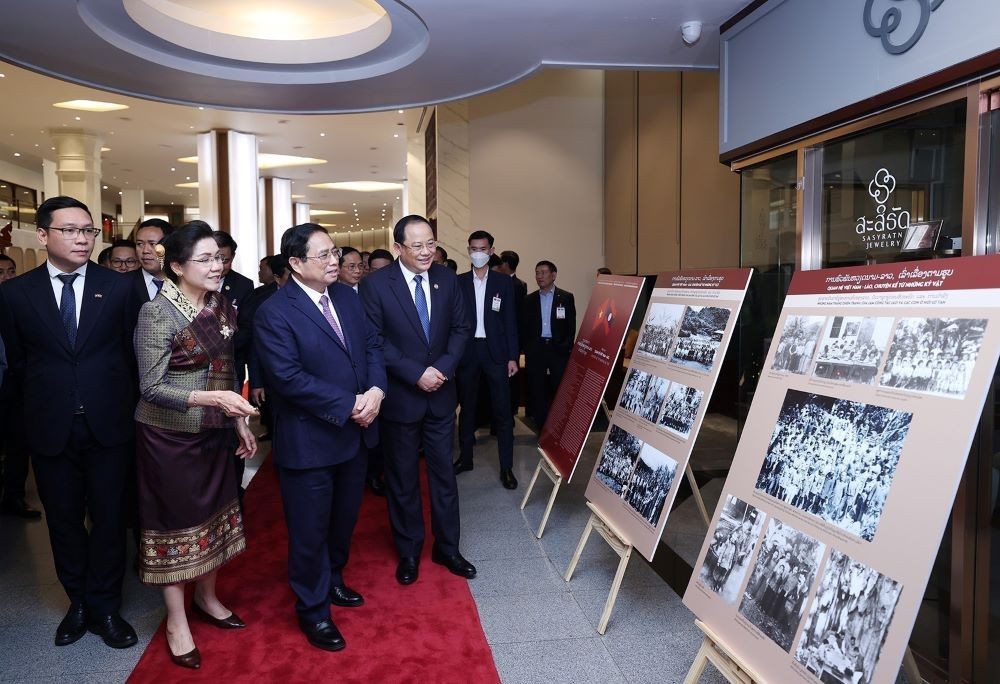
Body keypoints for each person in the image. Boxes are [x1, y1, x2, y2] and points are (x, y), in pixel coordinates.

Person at [0, 196, 139, 649]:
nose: (82, 238)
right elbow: (19, 365)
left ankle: (105, 605)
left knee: (109, 517)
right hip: (49, 424)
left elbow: (131, 357)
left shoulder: (119, 288)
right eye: (71, 230)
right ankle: (76, 602)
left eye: (88, 231)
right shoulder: (15, 293)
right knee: (61, 521)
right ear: (43, 235)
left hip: (109, 424)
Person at [255, 223, 386, 652]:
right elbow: (288, 378)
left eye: (335, 253)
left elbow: (372, 348)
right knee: (309, 530)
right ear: (295, 263)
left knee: (343, 519)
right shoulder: (275, 312)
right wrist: (351, 403)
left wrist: (376, 392)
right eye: (324, 256)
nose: (335, 262)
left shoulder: (348, 297)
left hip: (355, 433)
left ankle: (334, 579)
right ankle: (313, 610)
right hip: (310, 440)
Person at [133, 221, 257, 668]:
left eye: (218, 258)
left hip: (216, 431)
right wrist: (212, 399)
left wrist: (237, 419)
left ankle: (208, 597)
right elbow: (150, 387)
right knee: (175, 524)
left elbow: (226, 367)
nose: (216, 266)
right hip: (169, 437)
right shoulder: (157, 313)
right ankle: (175, 619)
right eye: (204, 260)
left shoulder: (223, 304)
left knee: (215, 516)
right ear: (177, 265)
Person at [360, 215, 476, 586]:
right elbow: (375, 341)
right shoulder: (376, 285)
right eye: (417, 246)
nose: (427, 252)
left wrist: (440, 368)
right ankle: (409, 549)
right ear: (398, 248)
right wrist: (415, 373)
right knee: (403, 477)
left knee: (444, 474)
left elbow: (461, 328)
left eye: (431, 243)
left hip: (441, 395)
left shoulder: (446, 279)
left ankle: (448, 547)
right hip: (401, 398)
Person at [454, 230, 519, 489]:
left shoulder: (504, 283)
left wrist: (513, 357)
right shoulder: (458, 282)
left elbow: (511, 323)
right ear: (468, 250)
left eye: (482, 249)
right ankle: (465, 458)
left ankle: (506, 467)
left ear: (491, 251)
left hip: (496, 355)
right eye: (473, 248)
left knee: (502, 413)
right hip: (468, 354)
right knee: (466, 409)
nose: (477, 253)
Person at [0, 253, 40, 519]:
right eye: (1, 271)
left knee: (17, 444)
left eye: (11, 271)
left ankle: (14, 497)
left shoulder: (19, 302)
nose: (6, 276)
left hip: (14, 386)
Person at [238, 255, 290, 441]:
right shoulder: (261, 300)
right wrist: (256, 382)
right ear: (278, 277)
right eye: (289, 277)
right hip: (271, 378)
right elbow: (255, 345)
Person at [522, 260, 576, 430]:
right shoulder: (529, 300)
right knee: (537, 390)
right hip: (537, 350)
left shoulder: (566, 297)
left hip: (557, 349)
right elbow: (525, 327)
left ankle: (560, 427)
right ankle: (542, 429)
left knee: (559, 389)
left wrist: (566, 347)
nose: (540, 276)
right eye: (537, 272)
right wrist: (528, 348)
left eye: (543, 272)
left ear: (553, 275)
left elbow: (570, 326)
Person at [132, 218, 174, 304]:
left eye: (152, 244)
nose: (145, 251)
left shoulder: (184, 282)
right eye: (140, 244)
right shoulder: (123, 284)